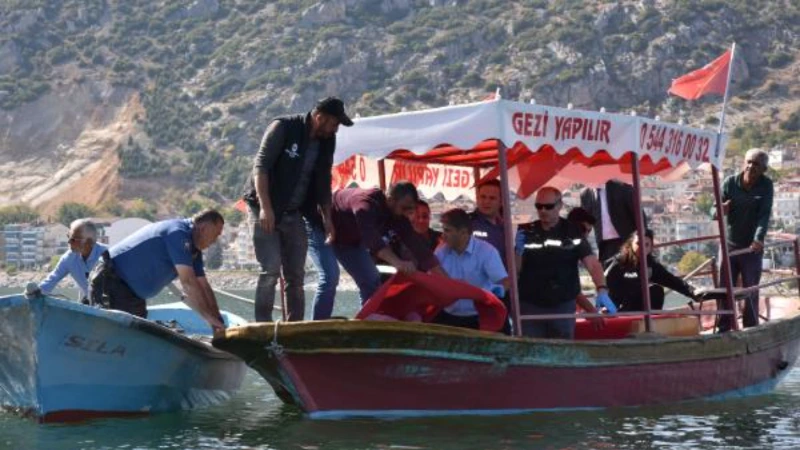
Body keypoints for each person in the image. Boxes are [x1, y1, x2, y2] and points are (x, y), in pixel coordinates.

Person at [243, 96, 353, 322]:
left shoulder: (327, 140)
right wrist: (265, 208)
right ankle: (262, 324)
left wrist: (328, 219)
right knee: (271, 269)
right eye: (334, 124)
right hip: (264, 207)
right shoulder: (283, 127)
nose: (336, 130)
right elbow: (261, 166)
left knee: (296, 274)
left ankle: (293, 326)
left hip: (294, 213)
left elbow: (323, 181)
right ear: (320, 117)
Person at [89, 210, 226, 330]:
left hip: (134, 296)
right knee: (116, 334)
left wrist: (217, 319)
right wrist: (208, 319)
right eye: (216, 234)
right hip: (111, 280)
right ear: (203, 228)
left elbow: (203, 285)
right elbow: (189, 283)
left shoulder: (193, 249)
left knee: (135, 337)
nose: (216, 240)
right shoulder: (177, 233)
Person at [515, 187, 612, 339]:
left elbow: (592, 263)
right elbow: (515, 271)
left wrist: (601, 289)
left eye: (548, 206)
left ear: (560, 205)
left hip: (562, 305)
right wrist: (517, 252)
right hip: (530, 305)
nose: (543, 210)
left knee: (563, 350)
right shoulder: (525, 232)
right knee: (530, 352)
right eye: (539, 206)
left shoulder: (573, 231)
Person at [331, 182, 446, 303]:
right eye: (405, 208)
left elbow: (420, 249)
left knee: (372, 279)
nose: (408, 213)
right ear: (390, 200)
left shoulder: (399, 215)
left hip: (351, 238)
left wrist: (447, 282)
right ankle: (319, 319)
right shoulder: (365, 205)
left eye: (411, 209)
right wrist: (399, 263)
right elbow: (374, 242)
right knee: (329, 278)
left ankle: (367, 319)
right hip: (324, 227)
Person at [717, 148, 774, 330]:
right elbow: (714, 209)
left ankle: (751, 328)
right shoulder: (730, 183)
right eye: (748, 162)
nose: (750, 167)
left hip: (751, 248)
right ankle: (723, 326)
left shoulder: (766, 186)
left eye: (756, 164)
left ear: (764, 169)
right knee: (725, 287)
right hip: (730, 246)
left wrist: (758, 239)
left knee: (750, 288)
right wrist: (719, 211)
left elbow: (764, 215)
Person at [433, 208, 509, 330]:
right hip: (448, 317)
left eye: (447, 230)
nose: (443, 235)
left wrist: (489, 293)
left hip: (479, 318)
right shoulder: (440, 251)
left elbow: (505, 282)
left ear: (463, 232)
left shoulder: (487, 252)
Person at [605, 230, 698, 312]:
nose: (642, 248)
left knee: (656, 290)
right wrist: (607, 307)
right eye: (638, 243)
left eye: (646, 245)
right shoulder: (619, 263)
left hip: (638, 309)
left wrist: (693, 293)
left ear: (651, 247)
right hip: (618, 308)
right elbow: (606, 286)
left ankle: (651, 322)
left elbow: (671, 280)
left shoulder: (651, 265)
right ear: (631, 244)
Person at [37, 219, 107, 302]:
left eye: (73, 239)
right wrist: (36, 292)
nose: (69, 241)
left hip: (111, 306)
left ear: (88, 242)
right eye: (68, 236)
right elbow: (52, 279)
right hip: (87, 307)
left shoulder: (107, 255)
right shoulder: (69, 258)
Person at [580, 179, 644, 263]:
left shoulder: (622, 188)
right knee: (608, 273)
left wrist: (642, 240)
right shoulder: (586, 194)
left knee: (629, 273)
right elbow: (584, 223)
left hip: (627, 241)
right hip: (604, 246)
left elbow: (640, 217)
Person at [470, 180, 507, 264]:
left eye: (492, 198)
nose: (486, 202)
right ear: (477, 198)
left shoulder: (505, 227)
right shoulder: (466, 224)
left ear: (501, 202)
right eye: (483, 197)